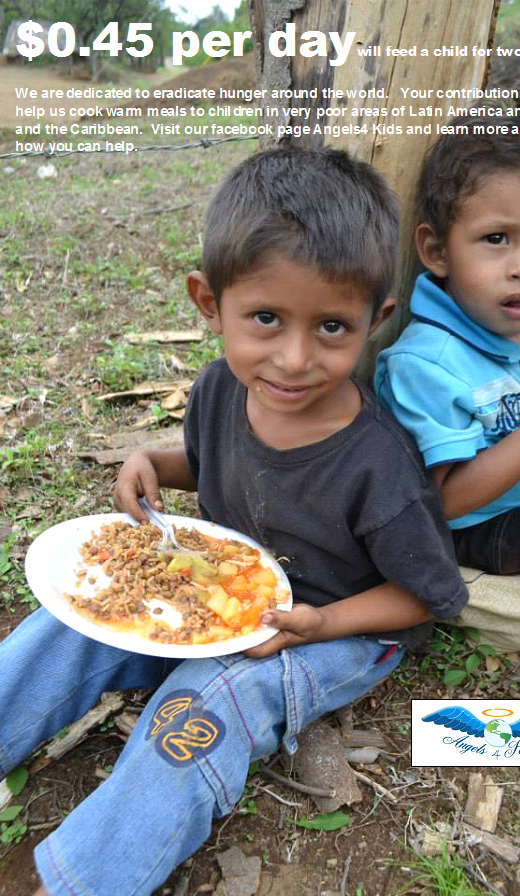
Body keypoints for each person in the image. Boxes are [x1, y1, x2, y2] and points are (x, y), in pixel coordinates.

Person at [1, 146, 468, 896]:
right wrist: (152, 459)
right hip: (224, 599)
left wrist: (324, 621)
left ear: (375, 321)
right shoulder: (222, 385)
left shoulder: (378, 468)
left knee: (203, 706)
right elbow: (211, 459)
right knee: (68, 622)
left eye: (331, 329)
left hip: (339, 628)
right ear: (208, 302)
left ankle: (84, 879)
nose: (291, 358)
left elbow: (427, 598)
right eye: (265, 318)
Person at [375, 100, 520, 668]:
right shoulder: (425, 365)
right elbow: (443, 504)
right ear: (436, 250)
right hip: (472, 523)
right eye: (497, 238)